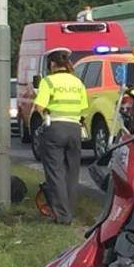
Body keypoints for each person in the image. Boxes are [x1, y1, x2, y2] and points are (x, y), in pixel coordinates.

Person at [34, 48, 88, 225]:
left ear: (52, 64)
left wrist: (44, 116)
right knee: (72, 173)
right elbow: (84, 109)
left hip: (55, 128)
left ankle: (62, 216)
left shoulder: (48, 82)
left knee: (55, 173)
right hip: (74, 128)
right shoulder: (78, 82)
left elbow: (39, 107)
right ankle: (69, 210)